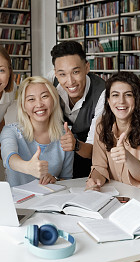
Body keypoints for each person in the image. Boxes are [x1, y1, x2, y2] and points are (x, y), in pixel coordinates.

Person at [85, 72, 140, 191]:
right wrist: (95, 180)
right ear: (108, 100)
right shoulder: (101, 124)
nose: (121, 101)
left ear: (137, 99)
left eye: (128, 95)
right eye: (115, 95)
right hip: (113, 194)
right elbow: (99, 166)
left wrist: (127, 157)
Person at [1, 76, 74, 187]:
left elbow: (67, 179)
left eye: (44, 96)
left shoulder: (65, 136)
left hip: (51, 201)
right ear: (23, 105)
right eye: (31, 99)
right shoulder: (11, 131)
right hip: (19, 202)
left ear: (54, 100)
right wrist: (28, 167)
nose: (39, 104)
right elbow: (9, 159)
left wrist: (54, 180)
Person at [48, 41, 106, 178]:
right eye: (62, 74)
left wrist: (75, 145)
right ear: (55, 73)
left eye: (75, 72)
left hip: (88, 159)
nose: (70, 81)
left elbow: (94, 150)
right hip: (57, 156)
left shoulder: (102, 93)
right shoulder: (50, 81)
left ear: (87, 67)